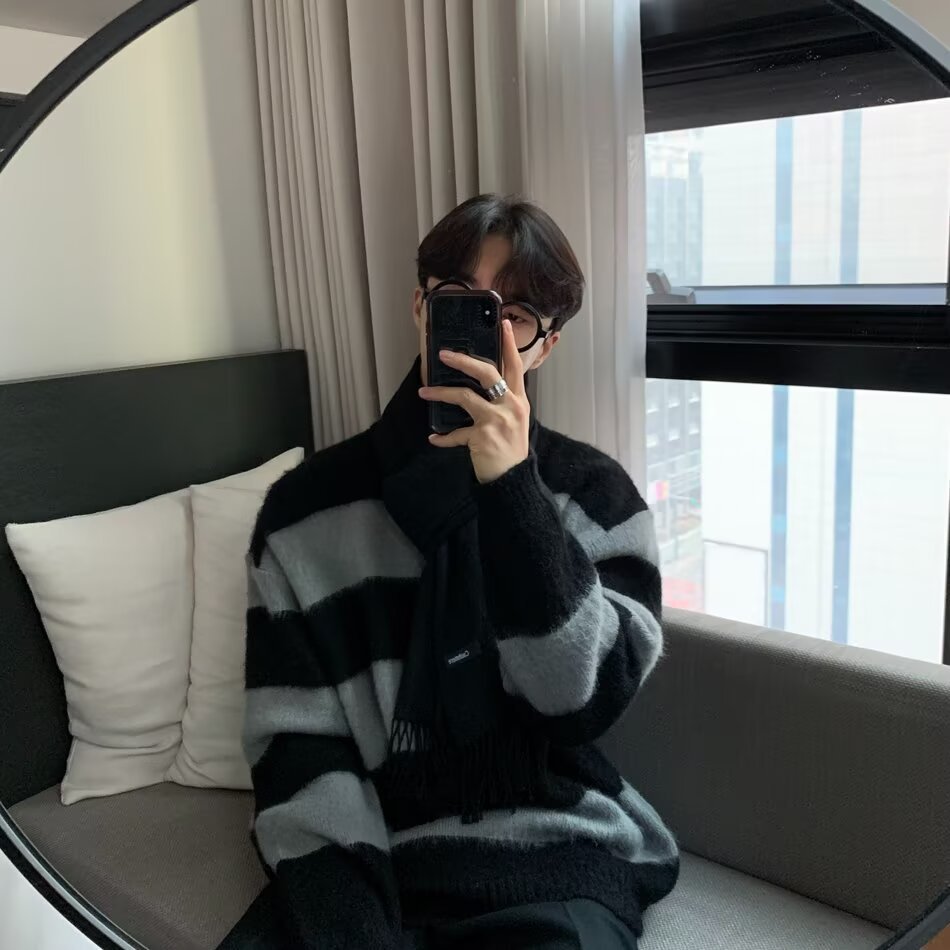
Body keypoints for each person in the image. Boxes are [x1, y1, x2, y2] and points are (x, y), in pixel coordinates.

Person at [219, 194, 679, 950]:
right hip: (374, 856)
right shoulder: (304, 512)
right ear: (421, 309)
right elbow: (298, 750)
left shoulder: (595, 498)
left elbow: (578, 704)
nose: (486, 335)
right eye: (462, 301)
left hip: (553, 850)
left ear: (544, 347)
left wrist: (513, 493)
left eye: (515, 314)